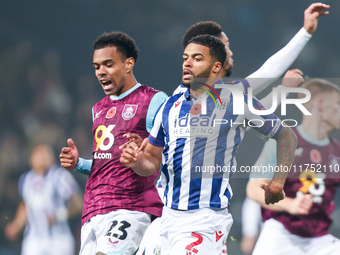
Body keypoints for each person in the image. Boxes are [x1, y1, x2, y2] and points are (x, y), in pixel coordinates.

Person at [136, 3, 329, 254]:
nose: (231, 52)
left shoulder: (226, 95)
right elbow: (262, 81)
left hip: (201, 218)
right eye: (226, 46)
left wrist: (284, 88)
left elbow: (248, 113)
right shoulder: (179, 101)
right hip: (166, 214)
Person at [120, 34, 297, 254]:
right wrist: (137, 161)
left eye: (197, 58)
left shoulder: (236, 100)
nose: (187, 63)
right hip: (167, 219)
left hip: (204, 221)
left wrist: (278, 182)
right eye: (185, 57)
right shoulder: (170, 106)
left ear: (215, 68)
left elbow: (285, 134)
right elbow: (152, 161)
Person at [59, 31, 168, 255]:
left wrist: (143, 155)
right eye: (97, 66)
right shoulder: (97, 109)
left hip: (131, 206)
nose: (101, 72)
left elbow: (170, 154)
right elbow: (107, 164)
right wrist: (79, 163)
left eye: (108, 64)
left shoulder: (154, 100)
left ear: (128, 64)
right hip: (94, 209)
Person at [247, 78, 340, 255]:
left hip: (320, 239)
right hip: (281, 233)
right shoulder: (284, 141)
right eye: (337, 103)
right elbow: (253, 189)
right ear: (319, 104)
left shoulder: (337, 151)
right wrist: (290, 204)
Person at [5, 144, 83, 255]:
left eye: (46, 153)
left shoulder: (60, 176)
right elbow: (25, 205)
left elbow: (78, 203)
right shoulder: (25, 179)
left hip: (58, 240)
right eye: (39, 153)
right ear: (31, 159)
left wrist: (58, 215)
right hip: (33, 239)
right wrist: (16, 226)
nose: (43, 156)